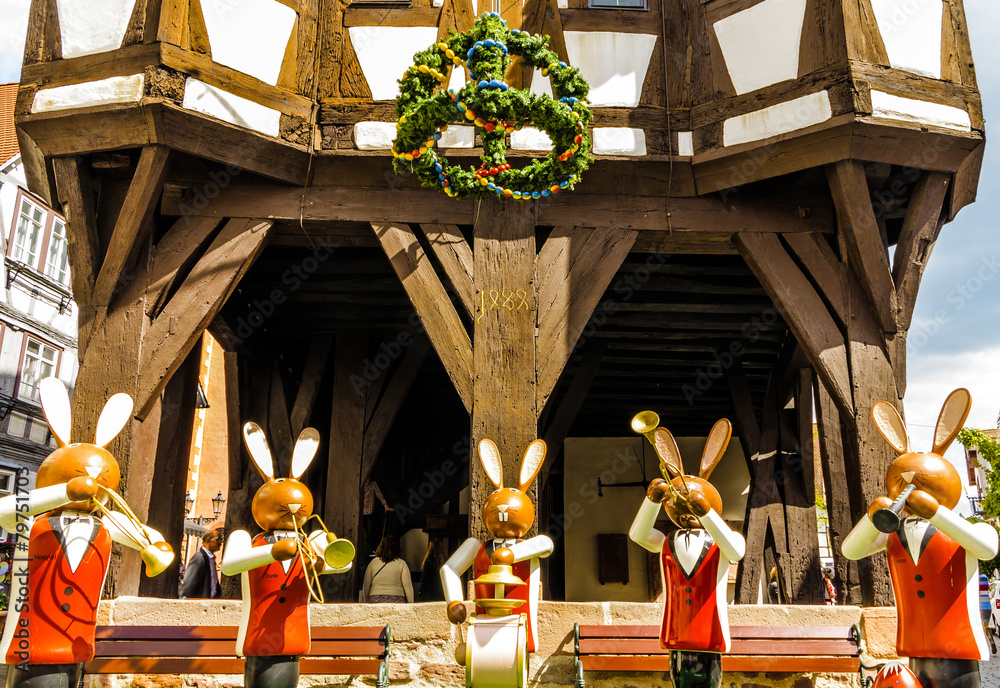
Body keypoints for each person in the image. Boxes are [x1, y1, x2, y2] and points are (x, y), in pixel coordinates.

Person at [361, 535, 412, 603]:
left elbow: (366, 585)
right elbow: (408, 587)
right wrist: (411, 603)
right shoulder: (402, 564)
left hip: (375, 598)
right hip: (397, 598)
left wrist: (366, 600)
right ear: (396, 548)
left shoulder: (373, 563)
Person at [180, 528, 223, 599]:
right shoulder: (199, 558)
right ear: (208, 541)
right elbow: (189, 584)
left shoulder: (210, 559)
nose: (220, 542)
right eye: (218, 539)